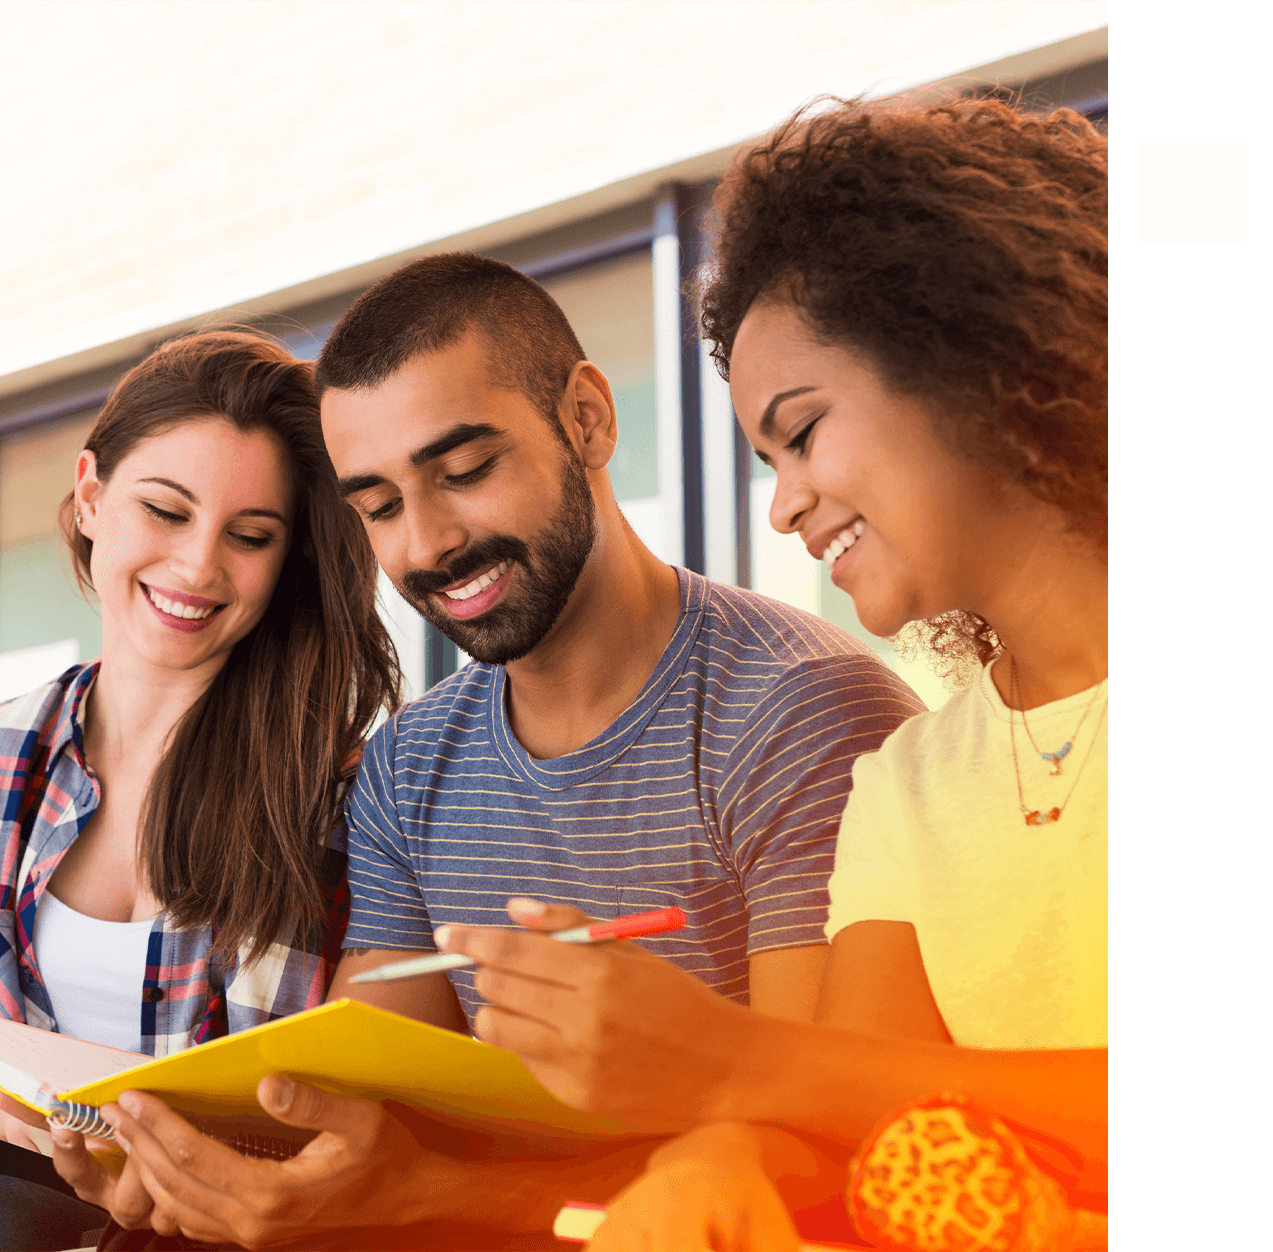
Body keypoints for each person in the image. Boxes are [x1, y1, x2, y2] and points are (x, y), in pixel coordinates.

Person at [50, 252, 928, 1249]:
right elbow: (356, 1119)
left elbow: (810, 1153)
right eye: (377, 507)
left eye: (465, 471)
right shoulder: (404, 770)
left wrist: (397, 1187)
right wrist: (122, 1153)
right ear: (87, 498)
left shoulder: (798, 711)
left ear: (587, 419)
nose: (425, 544)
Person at [432, 88, 1109, 1250]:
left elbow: (824, 1081)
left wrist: (726, 1061)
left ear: (968, 351)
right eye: (761, 457)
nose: (784, 501)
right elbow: (860, 1105)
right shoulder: (906, 786)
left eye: (799, 432)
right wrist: (710, 1165)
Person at [0, 329, 403, 1251]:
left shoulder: (339, 795)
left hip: (197, 1227)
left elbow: (309, 1110)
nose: (198, 567)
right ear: (90, 496)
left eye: (250, 536)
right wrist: (19, 1120)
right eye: (165, 511)